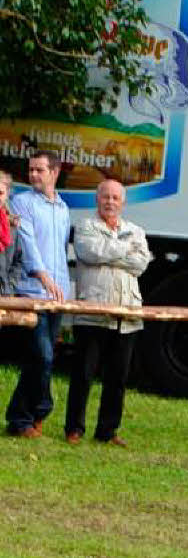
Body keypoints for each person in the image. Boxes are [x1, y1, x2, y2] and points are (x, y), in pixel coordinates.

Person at [64, 178, 150, 447]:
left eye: (115, 198)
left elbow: (141, 263)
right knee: (83, 374)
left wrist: (113, 252)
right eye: (105, 197)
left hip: (127, 316)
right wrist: (126, 249)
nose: (110, 202)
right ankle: (74, 429)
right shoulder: (85, 227)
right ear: (97, 200)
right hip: (93, 311)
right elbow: (89, 252)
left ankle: (107, 431)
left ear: (123, 202)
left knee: (118, 378)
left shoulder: (136, 230)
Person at [5, 151, 70, 438]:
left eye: (39, 170)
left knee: (41, 358)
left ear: (54, 172)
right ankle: (39, 409)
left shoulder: (63, 208)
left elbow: (60, 250)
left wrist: (63, 289)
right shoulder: (23, 202)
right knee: (42, 355)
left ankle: (22, 417)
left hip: (58, 294)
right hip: (31, 292)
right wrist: (42, 276)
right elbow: (28, 244)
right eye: (30, 170)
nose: (32, 175)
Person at [0, 171, 23, 296]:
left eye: (1, 193)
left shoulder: (12, 226)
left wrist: (10, 285)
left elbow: (18, 260)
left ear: (7, 194)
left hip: (4, 296)